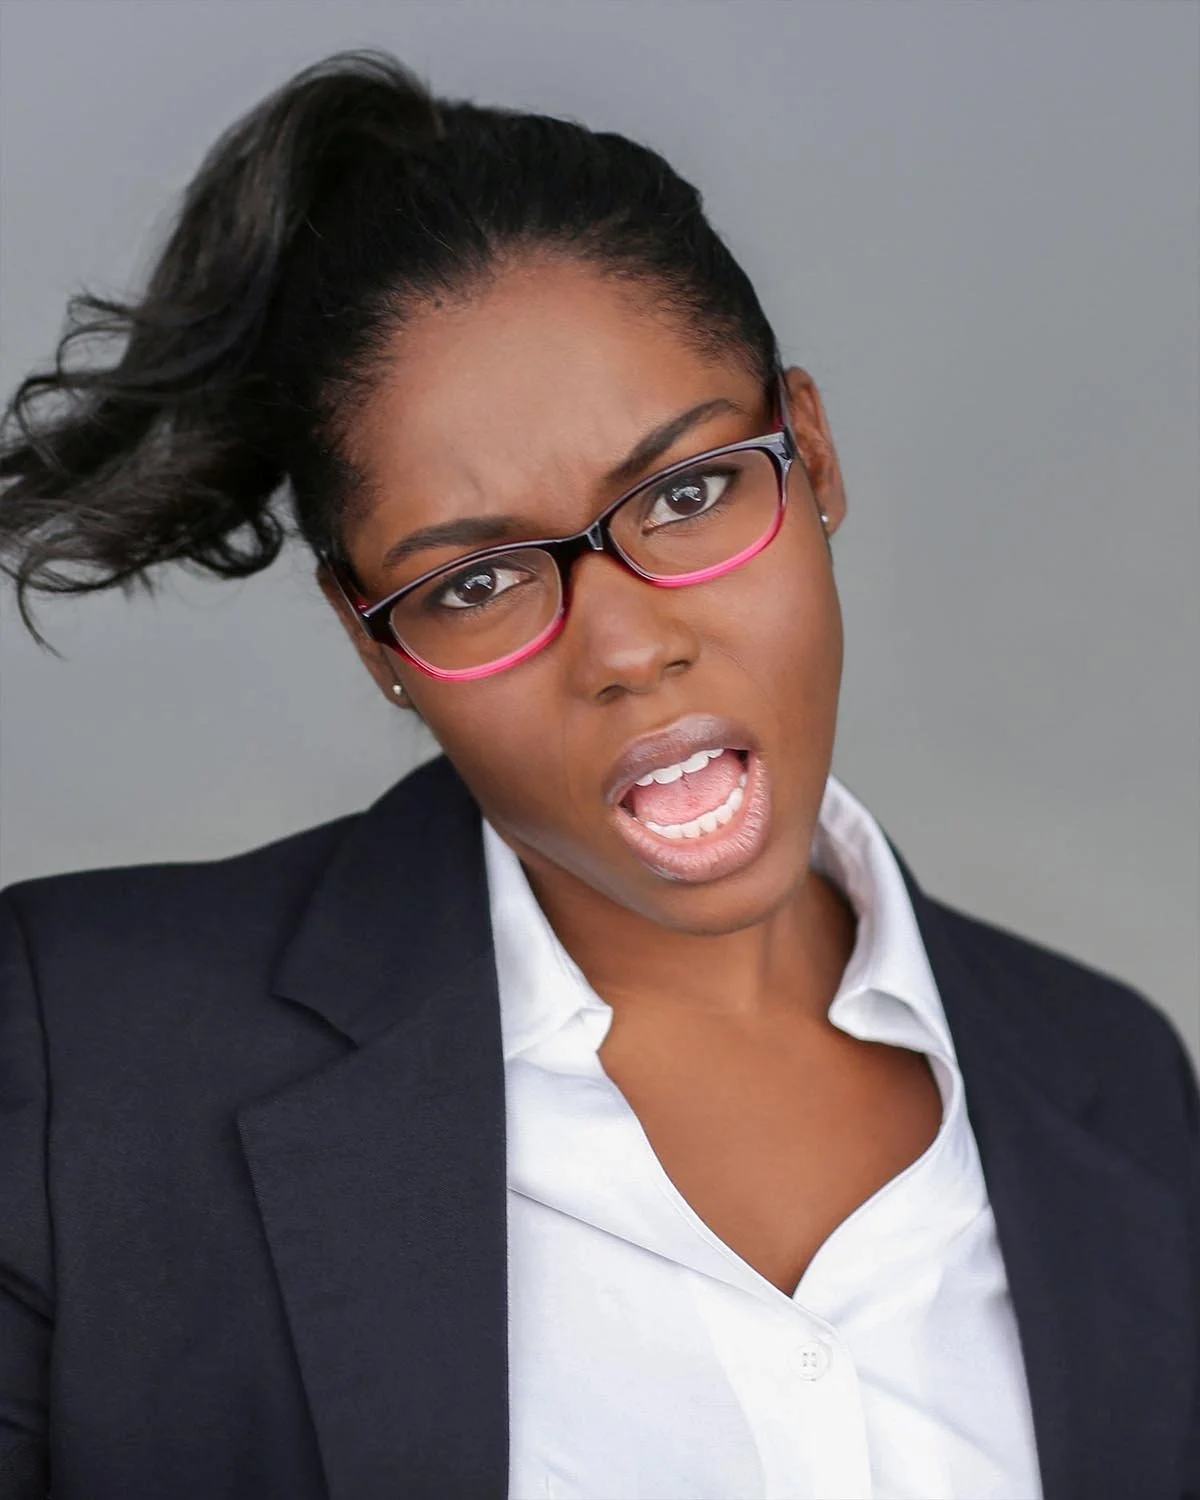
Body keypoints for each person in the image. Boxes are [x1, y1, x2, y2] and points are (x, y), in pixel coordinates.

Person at [0, 48, 1195, 1500]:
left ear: (809, 455)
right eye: (479, 582)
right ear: (371, 638)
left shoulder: (1115, 1088)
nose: (627, 648)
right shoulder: (81, 1059)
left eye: (688, 494)